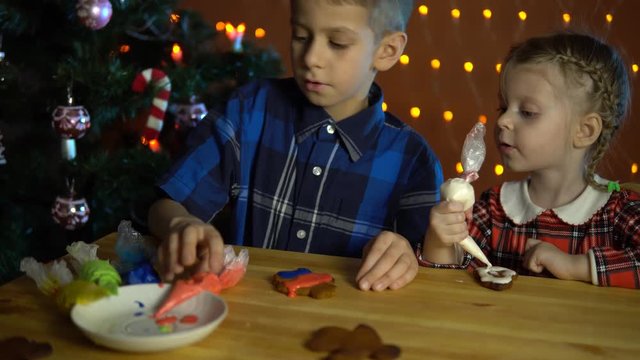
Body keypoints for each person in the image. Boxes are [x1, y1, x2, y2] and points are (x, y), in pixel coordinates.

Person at [148, 0, 443, 291]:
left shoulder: (413, 161)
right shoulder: (249, 111)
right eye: (301, 35)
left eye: (337, 43)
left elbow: (434, 273)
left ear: (386, 51)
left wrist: (408, 256)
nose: (311, 57)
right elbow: (164, 205)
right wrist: (180, 225)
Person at [421, 32, 640, 289]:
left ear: (585, 131)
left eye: (527, 112)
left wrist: (575, 266)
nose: (503, 121)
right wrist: (440, 241)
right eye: (503, 108)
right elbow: (451, 281)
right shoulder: (494, 209)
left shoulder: (616, 211)